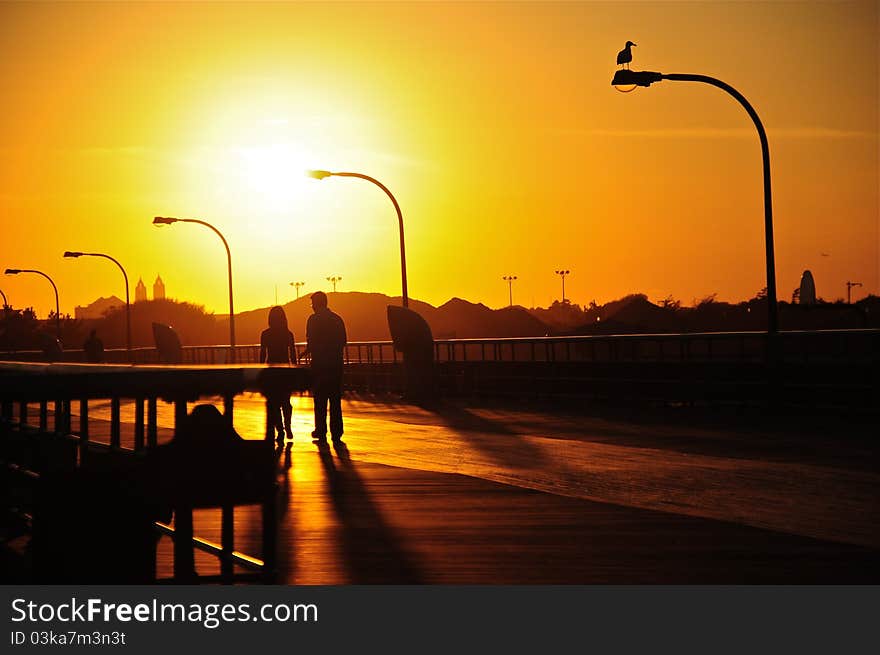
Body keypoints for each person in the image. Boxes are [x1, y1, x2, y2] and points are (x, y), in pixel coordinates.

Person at [306, 291, 347, 443]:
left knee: (320, 399)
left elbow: (311, 341)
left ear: (316, 304)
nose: (312, 307)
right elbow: (343, 341)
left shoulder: (313, 320)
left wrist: (309, 351)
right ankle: (337, 432)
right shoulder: (337, 319)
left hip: (319, 365)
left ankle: (321, 430)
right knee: (335, 399)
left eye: (312, 304)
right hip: (336, 365)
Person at [260, 305, 297, 443]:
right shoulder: (288, 334)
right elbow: (292, 354)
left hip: (271, 371)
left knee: (274, 403)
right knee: (286, 402)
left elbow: (263, 354)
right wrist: (295, 369)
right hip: (285, 371)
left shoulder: (265, 334)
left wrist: (260, 370)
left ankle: (280, 429)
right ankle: (288, 426)